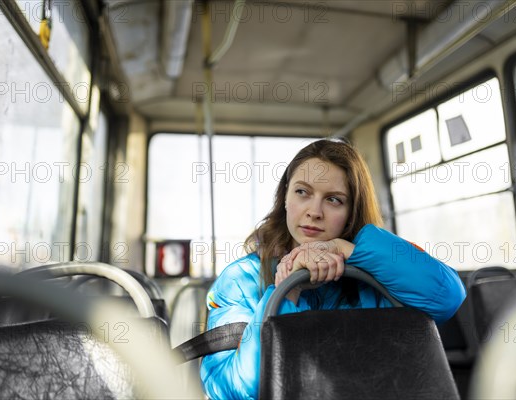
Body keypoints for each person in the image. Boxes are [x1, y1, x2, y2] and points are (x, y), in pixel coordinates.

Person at [200, 139, 466, 399]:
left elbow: (446, 297)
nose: (314, 211)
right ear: (285, 198)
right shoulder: (241, 279)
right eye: (302, 192)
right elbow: (235, 391)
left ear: (352, 212)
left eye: (334, 200)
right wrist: (286, 288)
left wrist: (347, 250)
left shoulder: (372, 277)